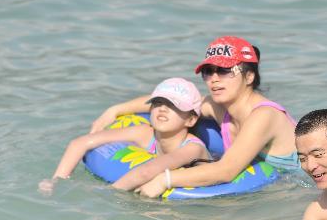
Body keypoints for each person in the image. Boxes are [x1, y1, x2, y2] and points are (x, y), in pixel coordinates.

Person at [89, 36, 300, 198]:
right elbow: (175, 100)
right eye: (209, 71)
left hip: (302, 184)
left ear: (249, 76)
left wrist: (166, 179)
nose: (214, 79)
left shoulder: (263, 116)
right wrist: (116, 109)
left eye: (225, 71)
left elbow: (226, 171)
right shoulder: (218, 107)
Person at [39, 78, 210, 195]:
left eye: (173, 105)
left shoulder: (192, 149)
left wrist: (107, 195)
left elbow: (147, 171)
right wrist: (55, 181)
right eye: (158, 103)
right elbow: (80, 143)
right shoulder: (145, 132)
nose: (163, 109)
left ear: (191, 119)